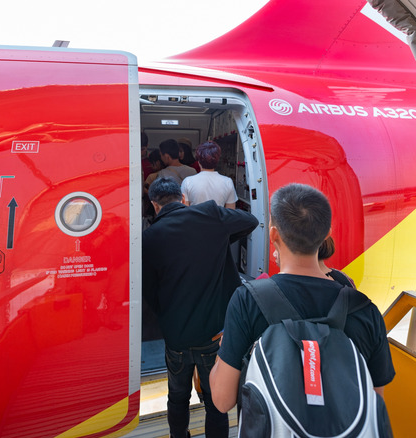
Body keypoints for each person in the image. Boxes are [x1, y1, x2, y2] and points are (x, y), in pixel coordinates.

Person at [209, 183, 395, 414]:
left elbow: (222, 400)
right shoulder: (365, 310)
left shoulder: (247, 301)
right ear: (327, 234)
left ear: (273, 234)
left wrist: (223, 352)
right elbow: (376, 405)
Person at [143, 177, 259, 438]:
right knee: (216, 402)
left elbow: (150, 293)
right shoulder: (209, 214)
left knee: (177, 396)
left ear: (154, 205)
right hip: (213, 334)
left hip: (176, 337)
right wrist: (222, 239)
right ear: (182, 198)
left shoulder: (150, 237)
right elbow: (250, 222)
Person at [181, 141, 238, 209]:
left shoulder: (187, 182)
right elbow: (230, 213)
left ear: (198, 161)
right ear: (217, 160)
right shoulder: (228, 182)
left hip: (194, 220)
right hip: (218, 220)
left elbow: (184, 211)